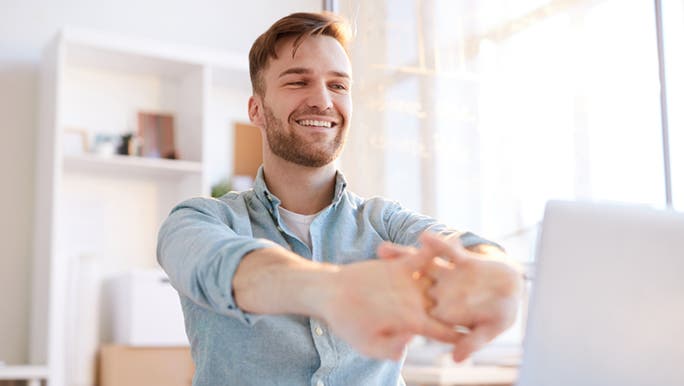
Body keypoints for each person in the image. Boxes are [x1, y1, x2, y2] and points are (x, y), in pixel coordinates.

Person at [157, 11, 522, 386]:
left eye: (338, 85)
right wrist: (332, 291)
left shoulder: (385, 222)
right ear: (256, 110)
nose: (323, 100)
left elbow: (469, 249)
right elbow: (222, 268)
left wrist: (499, 273)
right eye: (298, 81)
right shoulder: (199, 220)